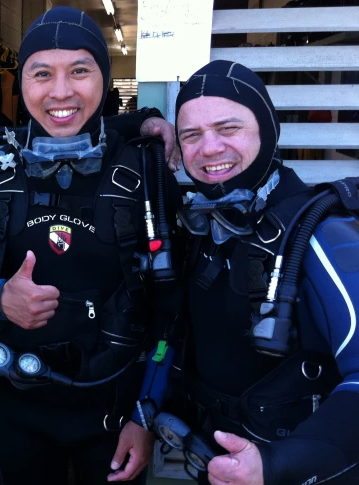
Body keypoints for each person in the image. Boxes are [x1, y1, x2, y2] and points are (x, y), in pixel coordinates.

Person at [0, 6, 182, 485]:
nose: (61, 91)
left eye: (80, 71)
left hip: (115, 404)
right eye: (42, 73)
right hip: (17, 400)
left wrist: (146, 412)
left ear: (104, 80)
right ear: (21, 82)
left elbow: (172, 307)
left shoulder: (142, 171)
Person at [153, 60, 359, 485]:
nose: (209, 149)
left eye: (229, 129)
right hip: (216, 462)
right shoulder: (206, 226)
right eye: (191, 135)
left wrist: (277, 465)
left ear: (267, 131)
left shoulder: (321, 236)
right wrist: (143, 411)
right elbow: (169, 337)